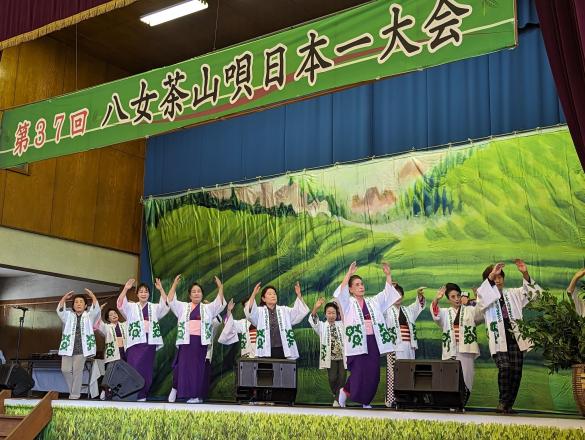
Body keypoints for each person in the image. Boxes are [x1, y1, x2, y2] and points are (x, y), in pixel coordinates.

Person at [476, 260, 541, 414]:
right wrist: (491, 274)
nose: (498, 280)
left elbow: (534, 294)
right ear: (489, 280)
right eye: (495, 278)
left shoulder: (513, 293)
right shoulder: (484, 296)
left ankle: (508, 405)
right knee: (505, 368)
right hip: (499, 340)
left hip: (516, 340)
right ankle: (502, 402)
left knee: (516, 372)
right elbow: (481, 299)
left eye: (500, 277)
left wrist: (525, 273)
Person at [334, 261, 401, 409]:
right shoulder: (348, 303)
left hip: (373, 341)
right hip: (357, 343)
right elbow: (340, 292)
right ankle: (349, 394)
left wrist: (388, 275)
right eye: (357, 284)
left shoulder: (372, 302)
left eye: (362, 284)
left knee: (373, 374)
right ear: (351, 289)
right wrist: (349, 274)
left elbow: (386, 294)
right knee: (358, 373)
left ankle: (360, 398)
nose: (361, 287)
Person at [166, 275, 226, 404]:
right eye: (193, 291)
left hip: (200, 342)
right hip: (186, 341)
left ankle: (195, 396)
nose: (196, 293)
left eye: (199, 291)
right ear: (189, 295)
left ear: (202, 294)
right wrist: (174, 285)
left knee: (198, 369)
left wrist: (220, 287)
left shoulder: (207, 308)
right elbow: (171, 300)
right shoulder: (183, 306)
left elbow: (219, 303)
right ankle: (179, 390)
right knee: (183, 368)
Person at [117, 278, 169, 401]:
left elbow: (165, 305)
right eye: (141, 291)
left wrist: (161, 289)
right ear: (137, 294)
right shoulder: (131, 307)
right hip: (134, 343)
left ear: (149, 294)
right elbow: (120, 304)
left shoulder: (154, 307)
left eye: (146, 292)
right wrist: (125, 289)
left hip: (149, 341)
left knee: (146, 368)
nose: (143, 294)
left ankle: (142, 395)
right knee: (133, 367)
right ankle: (132, 394)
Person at [431, 283, 482, 403]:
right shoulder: (445, 312)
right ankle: (451, 403)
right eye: (453, 297)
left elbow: (480, 314)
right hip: (451, 351)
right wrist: (436, 300)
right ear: (448, 299)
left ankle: (462, 403)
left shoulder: (470, 310)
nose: (457, 299)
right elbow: (436, 315)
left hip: (466, 349)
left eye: (458, 295)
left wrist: (478, 297)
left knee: (466, 378)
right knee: (450, 379)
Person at [383, 284, 425, 407]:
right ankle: (391, 399)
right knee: (393, 373)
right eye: (394, 295)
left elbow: (418, 306)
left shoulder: (408, 310)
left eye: (400, 294)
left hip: (409, 346)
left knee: (410, 371)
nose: (398, 297)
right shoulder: (387, 311)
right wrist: (388, 289)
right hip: (394, 347)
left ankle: (407, 398)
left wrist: (420, 296)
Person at [245, 281, 309, 359]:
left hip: (282, 349)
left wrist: (299, 295)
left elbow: (298, 312)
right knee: (267, 370)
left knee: (282, 370)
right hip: (265, 350)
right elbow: (250, 312)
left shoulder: (284, 310)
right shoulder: (260, 312)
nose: (273, 296)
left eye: (274, 294)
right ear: (263, 299)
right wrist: (254, 293)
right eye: (269, 294)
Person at [57, 289, 100, 400]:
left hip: (82, 349)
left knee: (77, 372)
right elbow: (60, 310)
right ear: (73, 305)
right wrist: (64, 298)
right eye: (76, 302)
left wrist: (92, 295)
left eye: (81, 302)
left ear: (86, 305)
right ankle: (74, 391)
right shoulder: (68, 316)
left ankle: (74, 395)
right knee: (65, 370)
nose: (78, 304)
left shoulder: (89, 316)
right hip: (68, 348)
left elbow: (96, 309)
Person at [308, 297, 346, 407]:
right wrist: (315, 308)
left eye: (333, 313)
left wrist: (339, 305)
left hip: (343, 357)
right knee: (332, 378)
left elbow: (345, 317)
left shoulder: (341, 324)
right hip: (330, 358)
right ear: (325, 314)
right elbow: (313, 320)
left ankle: (337, 400)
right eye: (329, 313)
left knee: (342, 378)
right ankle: (337, 394)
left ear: (336, 314)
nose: (331, 315)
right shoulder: (322, 326)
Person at [95, 305, 128, 400]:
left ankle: (120, 394)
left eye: (115, 313)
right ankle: (105, 391)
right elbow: (98, 322)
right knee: (110, 375)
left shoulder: (124, 325)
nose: (114, 315)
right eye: (111, 315)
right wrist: (99, 311)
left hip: (125, 354)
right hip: (112, 355)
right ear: (108, 319)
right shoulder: (107, 327)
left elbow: (130, 317)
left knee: (123, 376)